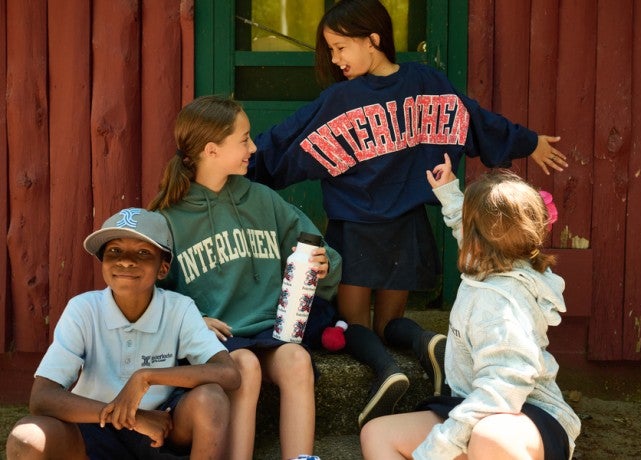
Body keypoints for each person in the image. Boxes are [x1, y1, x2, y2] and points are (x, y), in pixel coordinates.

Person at [249, 0, 569, 429]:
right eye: (330, 50)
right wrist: (526, 142)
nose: (335, 59)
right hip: (406, 228)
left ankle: (387, 371)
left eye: (341, 47)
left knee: (348, 326)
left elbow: (284, 142)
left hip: (355, 229)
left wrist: (236, 167)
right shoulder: (427, 82)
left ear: (373, 39)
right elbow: (475, 119)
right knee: (392, 323)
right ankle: (426, 343)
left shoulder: (339, 100)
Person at [148, 95, 342, 460]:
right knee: (244, 367)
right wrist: (193, 322)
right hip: (217, 342)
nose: (254, 147)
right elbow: (149, 297)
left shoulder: (263, 200)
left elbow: (316, 248)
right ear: (211, 150)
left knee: (297, 361)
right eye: (244, 139)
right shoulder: (167, 218)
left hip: (270, 331)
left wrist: (323, 262)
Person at [359, 158, 581, 459]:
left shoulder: (501, 305)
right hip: (474, 404)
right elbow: (466, 230)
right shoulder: (498, 260)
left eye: (467, 221)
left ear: (478, 239)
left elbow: (505, 388)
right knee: (378, 434)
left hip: (525, 416)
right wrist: (449, 190)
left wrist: (438, 449)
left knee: (489, 438)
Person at [5, 208, 241, 459]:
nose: (126, 261)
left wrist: (146, 377)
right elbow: (42, 397)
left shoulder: (178, 308)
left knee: (211, 400)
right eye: (114, 251)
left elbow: (228, 374)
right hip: (94, 426)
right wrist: (132, 418)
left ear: (163, 268)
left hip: (161, 428)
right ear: (103, 262)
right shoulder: (84, 309)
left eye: (143, 253)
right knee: (26, 438)